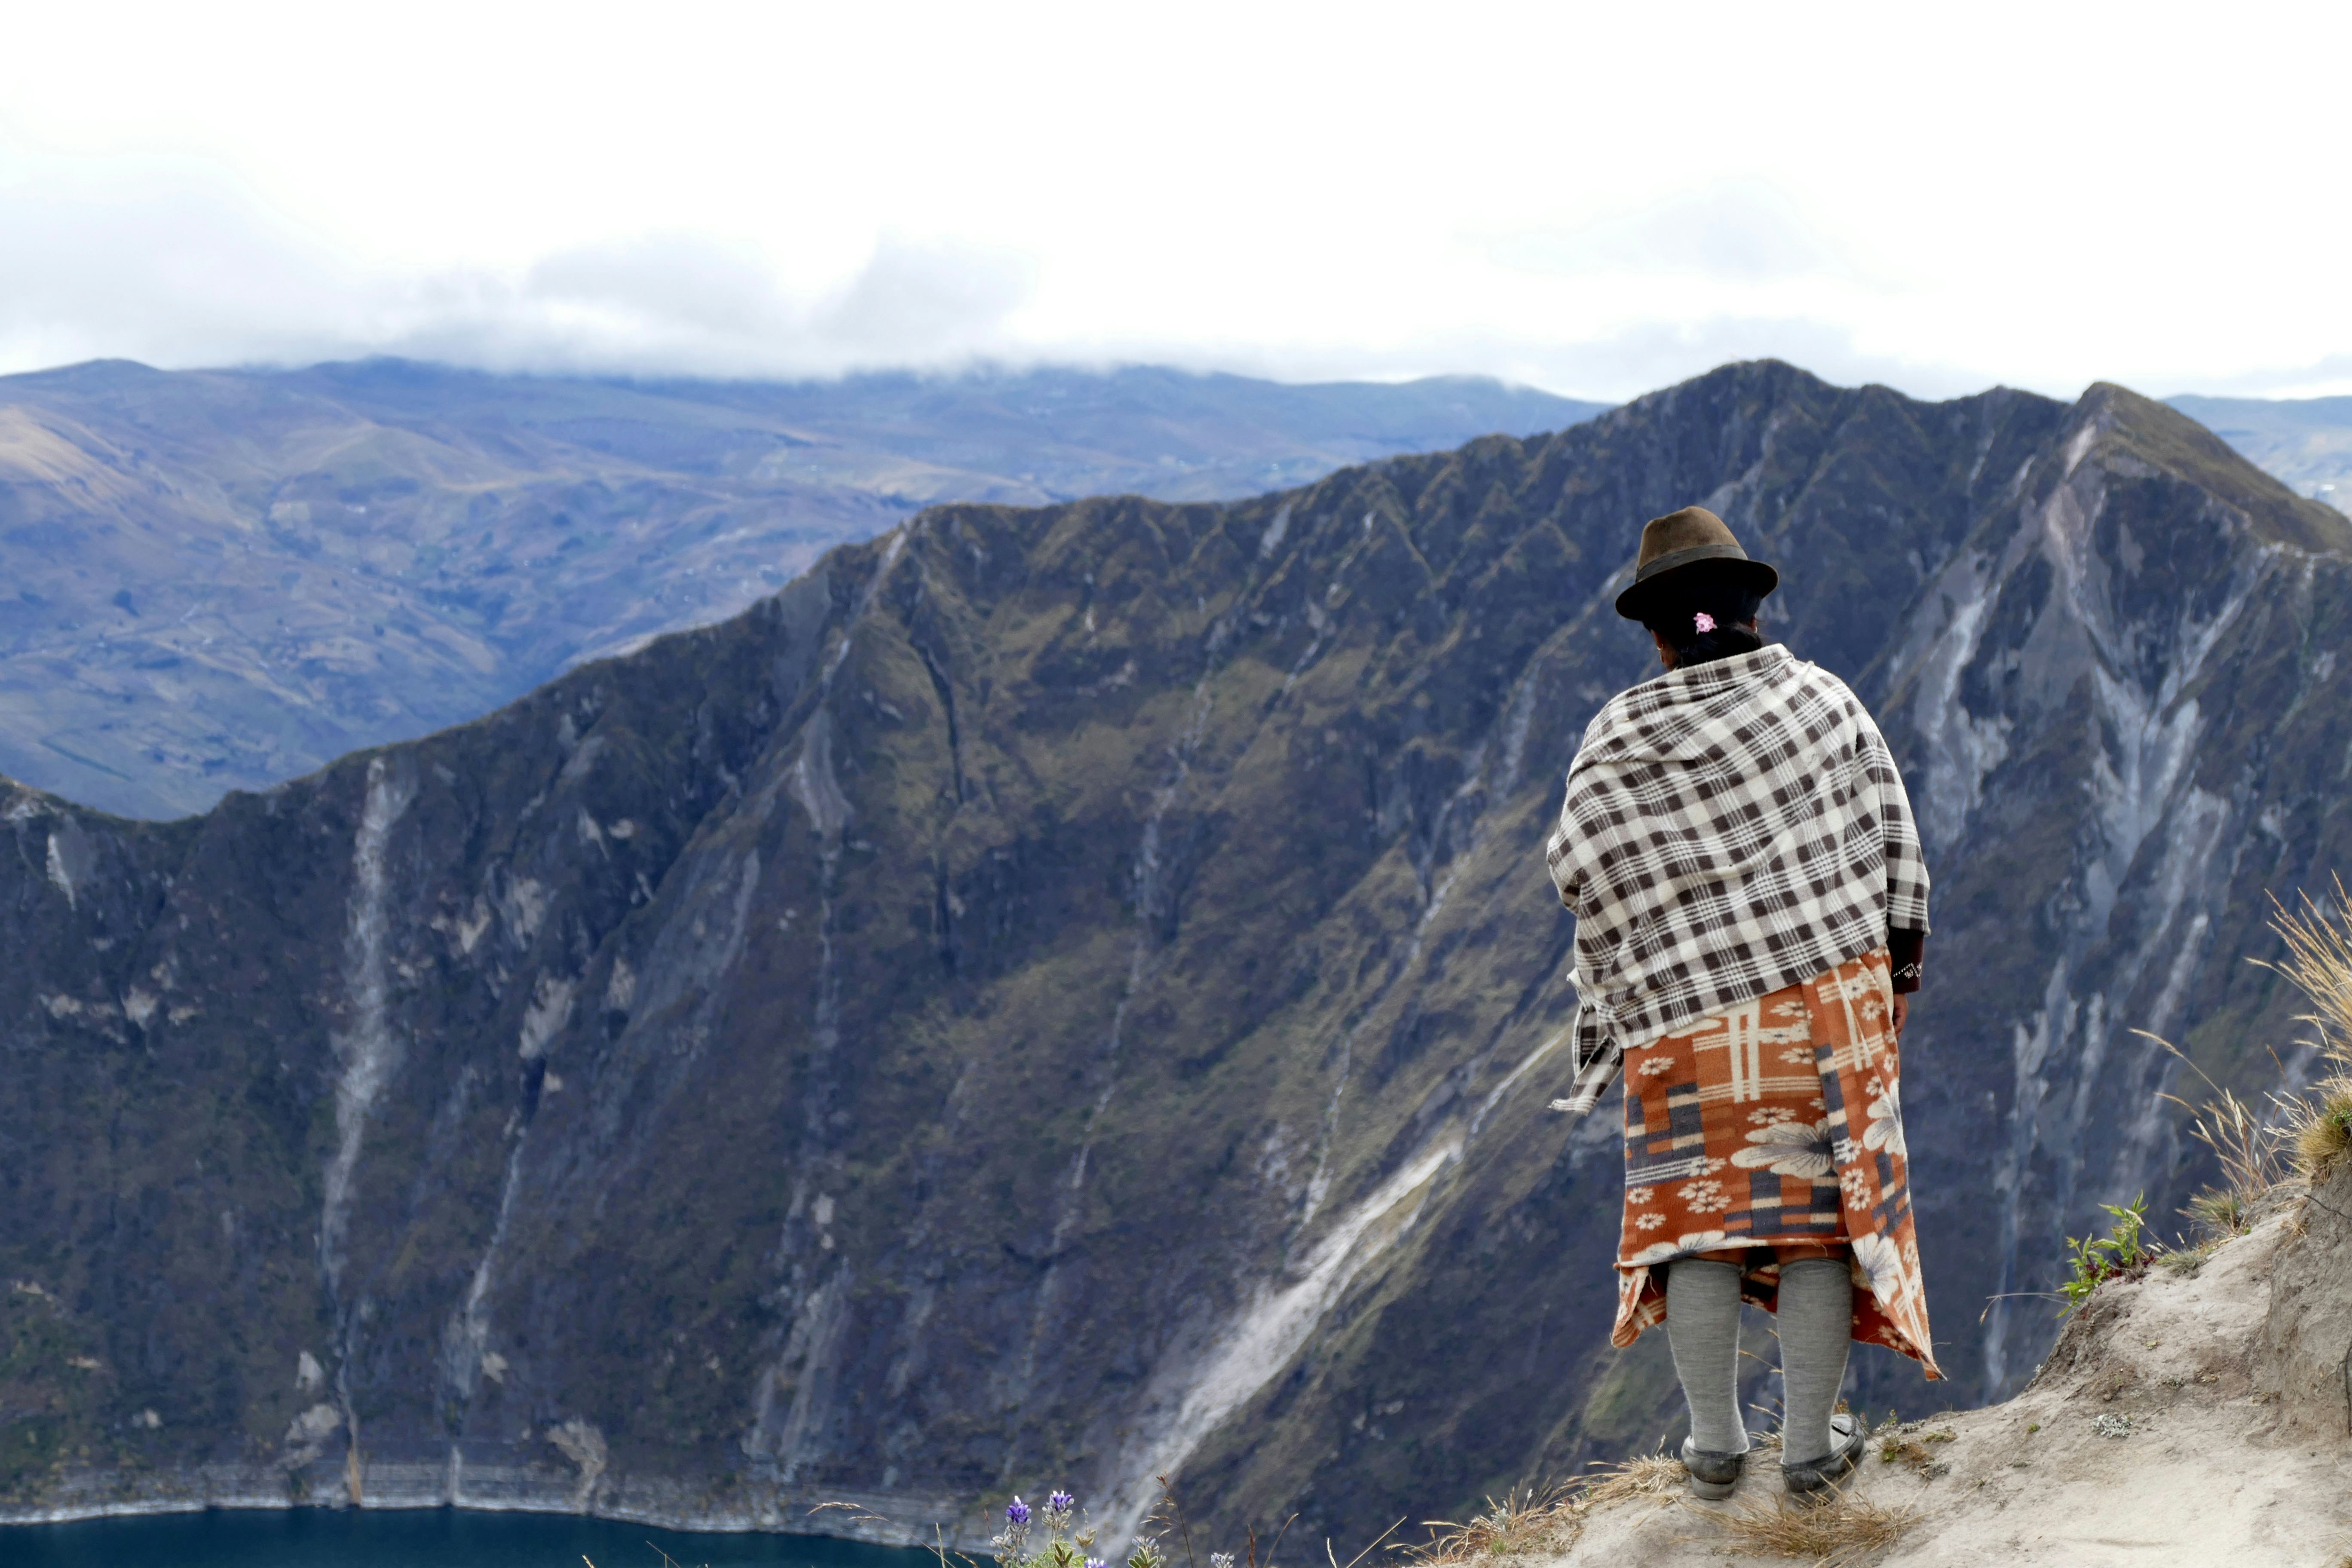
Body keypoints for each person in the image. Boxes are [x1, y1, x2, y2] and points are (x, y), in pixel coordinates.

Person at [1544, 506, 1938, 1503]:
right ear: (1749, 609)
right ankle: (1809, 1451)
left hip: (1684, 1018)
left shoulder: (1619, 735)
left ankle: (1714, 1448)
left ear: (1659, 631)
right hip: (1821, 1012)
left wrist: (1649, 964)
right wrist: (1892, 977)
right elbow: (1896, 850)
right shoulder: (1823, 702)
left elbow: (1582, 871)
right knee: (1814, 1224)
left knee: (1699, 1224)